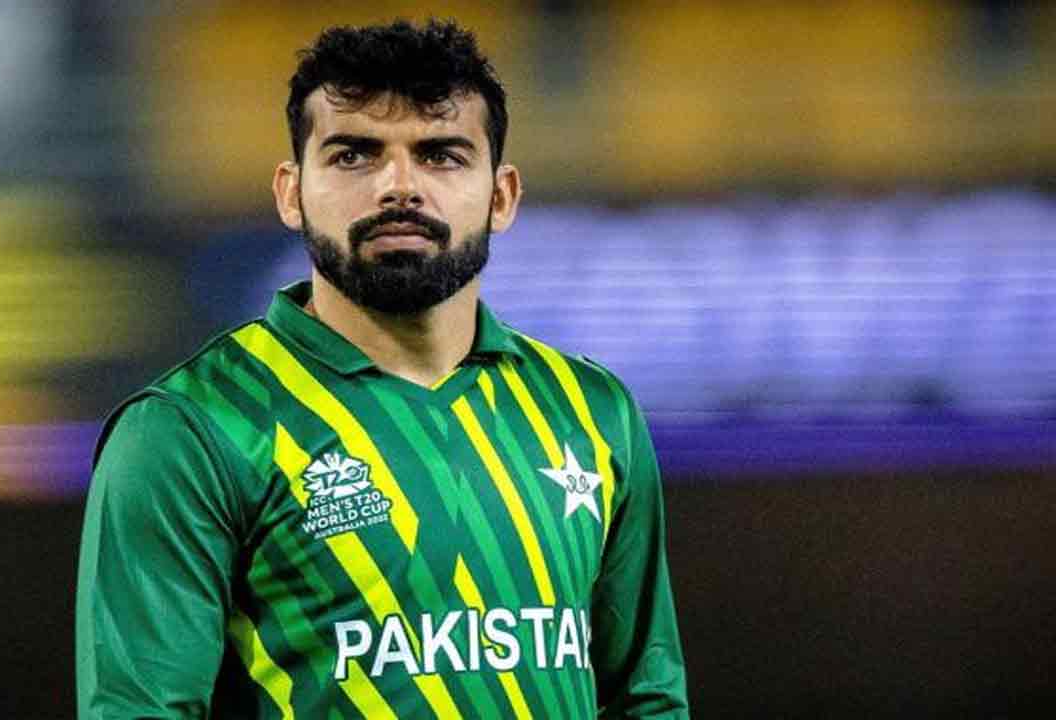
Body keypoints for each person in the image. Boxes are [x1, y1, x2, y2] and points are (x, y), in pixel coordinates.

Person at [76, 18, 688, 719]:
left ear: (502, 196)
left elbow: (648, 699)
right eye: (353, 156)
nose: (399, 187)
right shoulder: (192, 430)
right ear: (290, 193)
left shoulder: (591, 411)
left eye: (442, 155)